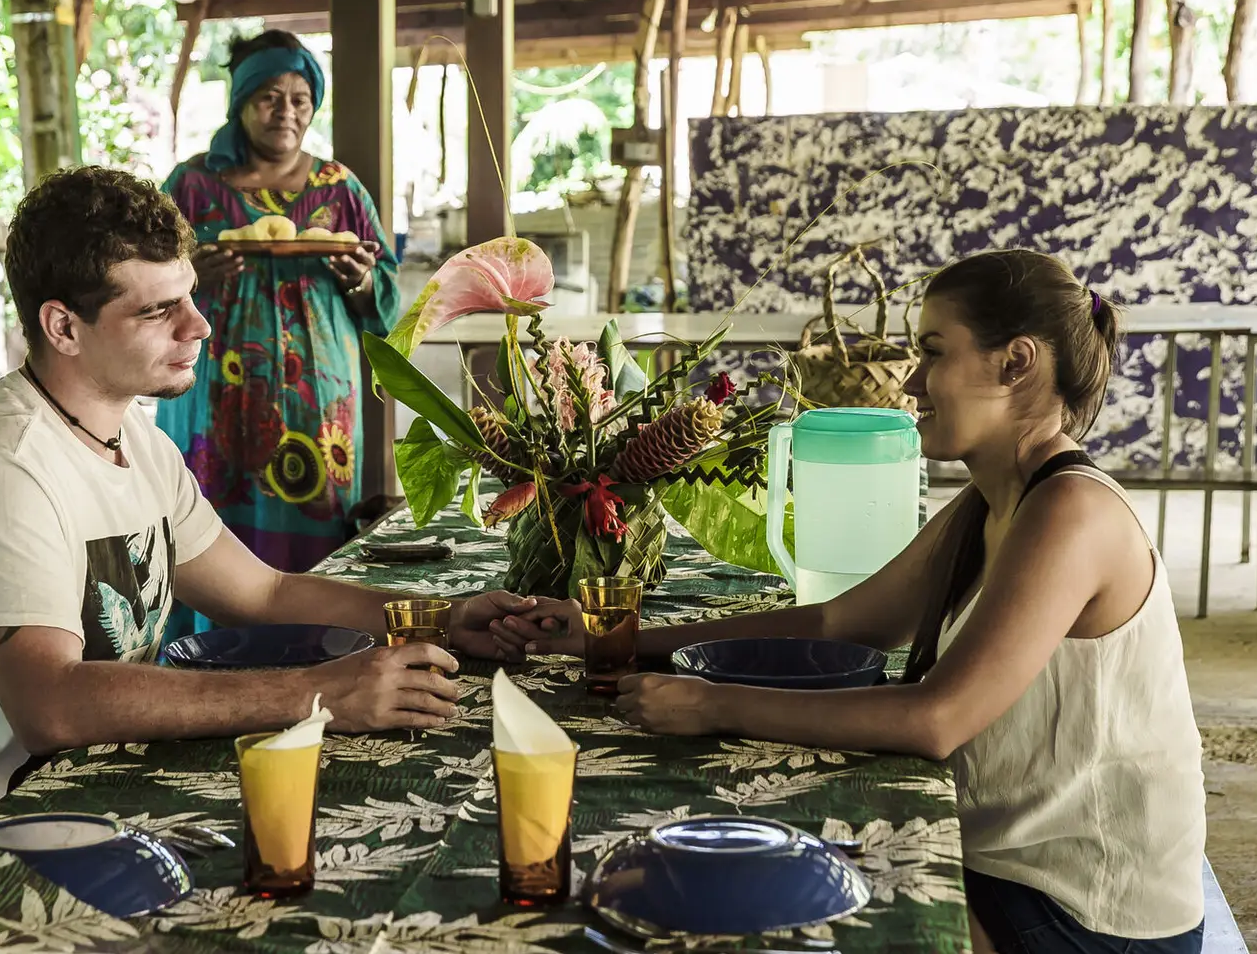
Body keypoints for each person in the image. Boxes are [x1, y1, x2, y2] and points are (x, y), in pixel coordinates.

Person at [0, 166, 541, 918]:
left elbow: (263, 591)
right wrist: (326, 693)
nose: (200, 325)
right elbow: (53, 705)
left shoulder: (132, 436)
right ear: (63, 327)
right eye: (160, 310)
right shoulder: (0, 469)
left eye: (190, 296)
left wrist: (439, 615)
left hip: (71, 806)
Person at [509, 250, 1206, 954]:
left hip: (1087, 912)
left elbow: (936, 719)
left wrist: (709, 703)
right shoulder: (990, 505)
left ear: (1016, 361)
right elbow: (840, 622)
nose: (910, 381)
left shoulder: (1071, 515)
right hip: (1004, 864)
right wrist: (616, 636)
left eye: (933, 353)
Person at [156, 29, 396, 642]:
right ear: (239, 102)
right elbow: (140, 279)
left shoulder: (340, 189)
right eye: (268, 95)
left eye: (299, 97)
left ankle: (323, 652)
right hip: (215, 395)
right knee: (210, 516)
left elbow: (388, 295)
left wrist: (361, 283)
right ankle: (208, 656)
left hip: (322, 404)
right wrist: (190, 275)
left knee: (313, 512)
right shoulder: (192, 186)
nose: (285, 111)